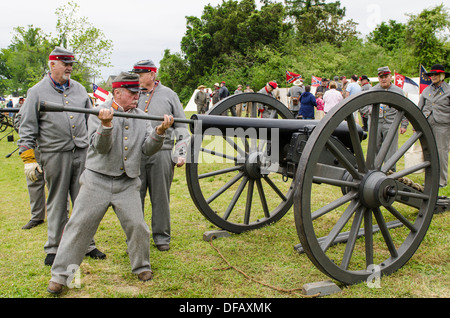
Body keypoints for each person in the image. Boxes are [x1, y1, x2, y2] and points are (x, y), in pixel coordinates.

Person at [47, 72, 175, 295]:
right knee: (78, 228)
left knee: (138, 226)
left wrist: (159, 132)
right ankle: (60, 276)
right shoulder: (98, 112)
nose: (137, 97)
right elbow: (100, 147)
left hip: (127, 182)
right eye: (133, 93)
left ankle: (142, 267)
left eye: (139, 93)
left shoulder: (140, 115)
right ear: (117, 92)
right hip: (97, 180)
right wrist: (106, 125)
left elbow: (147, 149)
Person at [18, 46, 105, 266]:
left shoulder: (78, 89)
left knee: (83, 201)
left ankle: (87, 244)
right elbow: (27, 127)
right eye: (65, 64)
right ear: (52, 64)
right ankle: (54, 247)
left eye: (71, 65)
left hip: (81, 152)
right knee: (57, 201)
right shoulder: (36, 92)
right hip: (54, 153)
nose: (69, 68)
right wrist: (29, 159)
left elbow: (90, 120)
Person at [131, 60, 190, 252]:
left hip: (162, 151)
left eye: (140, 74)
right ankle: (136, 238)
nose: (137, 78)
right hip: (136, 152)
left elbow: (181, 126)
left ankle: (161, 236)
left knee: (161, 197)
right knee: (133, 197)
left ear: (152, 74)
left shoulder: (169, 95)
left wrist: (180, 153)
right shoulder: (132, 93)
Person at [14, 106, 46, 230]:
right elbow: (18, 121)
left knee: (57, 185)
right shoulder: (32, 99)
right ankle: (37, 216)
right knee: (34, 180)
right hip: (35, 147)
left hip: (54, 147)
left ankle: (62, 217)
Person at [371, 66, 408, 170]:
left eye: (386, 76)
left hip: (391, 122)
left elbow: (406, 108)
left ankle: (390, 171)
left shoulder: (398, 91)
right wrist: (371, 110)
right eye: (381, 77)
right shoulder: (373, 90)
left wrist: (404, 125)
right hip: (376, 122)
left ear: (390, 77)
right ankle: (374, 170)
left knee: (390, 149)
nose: (383, 79)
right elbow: (364, 106)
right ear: (378, 78)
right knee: (374, 148)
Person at [418, 64, 450, 188]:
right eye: (431, 74)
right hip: (427, 124)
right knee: (429, 153)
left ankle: (441, 181)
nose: (433, 77)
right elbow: (419, 107)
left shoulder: (448, 90)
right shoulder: (426, 90)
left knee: (441, 153)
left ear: (442, 76)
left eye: (436, 74)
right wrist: (417, 124)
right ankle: (430, 180)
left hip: (443, 125)